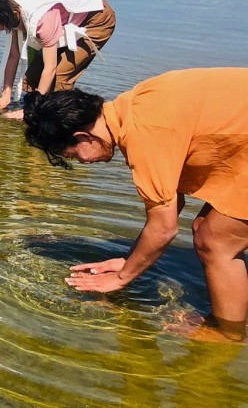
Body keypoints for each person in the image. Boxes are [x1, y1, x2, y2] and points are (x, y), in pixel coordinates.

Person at [21, 68, 248, 342]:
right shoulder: (136, 104)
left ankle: (227, 335)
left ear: (83, 137)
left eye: (74, 155)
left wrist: (121, 279)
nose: (82, 162)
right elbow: (170, 203)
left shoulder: (144, 134)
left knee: (216, 240)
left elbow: (164, 229)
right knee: (205, 228)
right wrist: (130, 261)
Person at [0, 0, 115, 119]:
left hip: (97, 18)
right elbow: (14, 55)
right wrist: (6, 95)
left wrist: (30, 111)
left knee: (60, 75)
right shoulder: (10, 8)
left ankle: (63, 121)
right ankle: (38, 111)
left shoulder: (41, 19)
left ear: (3, 16)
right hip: (61, 17)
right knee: (33, 76)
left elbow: (50, 68)